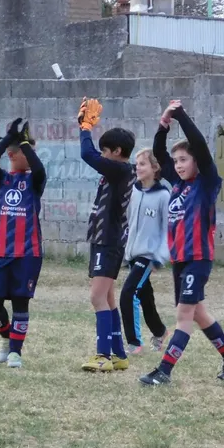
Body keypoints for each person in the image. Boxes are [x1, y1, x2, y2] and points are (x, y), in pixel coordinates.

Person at [139, 100, 224, 386]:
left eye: (184, 160)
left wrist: (181, 115)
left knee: (183, 316)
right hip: (181, 259)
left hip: (198, 258)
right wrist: (163, 126)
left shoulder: (207, 182)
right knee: (198, 313)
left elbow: (197, 143)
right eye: (176, 162)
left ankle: (164, 371)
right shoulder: (178, 183)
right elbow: (159, 153)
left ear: (197, 160)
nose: (178, 165)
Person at [78, 98, 137, 373]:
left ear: (117, 151)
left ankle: (102, 356)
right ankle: (119, 355)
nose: (101, 156)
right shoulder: (116, 171)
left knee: (97, 298)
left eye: (106, 151)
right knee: (109, 298)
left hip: (109, 242)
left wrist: (85, 128)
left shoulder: (121, 169)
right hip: (104, 240)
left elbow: (87, 155)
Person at [0, 118, 46, 369]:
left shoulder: (34, 181)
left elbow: (40, 169)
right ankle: (6, 338)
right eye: (11, 152)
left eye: (18, 151)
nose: (12, 154)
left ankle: (16, 353)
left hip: (27, 253)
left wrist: (24, 143)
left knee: (21, 302)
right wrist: (8, 139)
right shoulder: (0, 180)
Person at [121, 148, 170, 355]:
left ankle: (134, 343)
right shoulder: (133, 191)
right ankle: (160, 332)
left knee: (128, 293)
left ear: (154, 168)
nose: (137, 168)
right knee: (145, 297)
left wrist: (159, 257)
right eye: (136, 164)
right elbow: (128, 221)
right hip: (132, 253)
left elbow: (169, 231)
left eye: (142, 164)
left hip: (148, 255)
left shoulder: (163, 195)